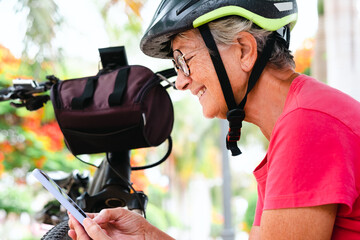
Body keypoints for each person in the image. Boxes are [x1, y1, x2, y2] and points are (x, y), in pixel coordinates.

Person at [69, 0, 360, 239]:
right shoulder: (301, 118)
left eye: (185, 60)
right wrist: (148, 237)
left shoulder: (308, 125)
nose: (181, 82)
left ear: (244, 50)